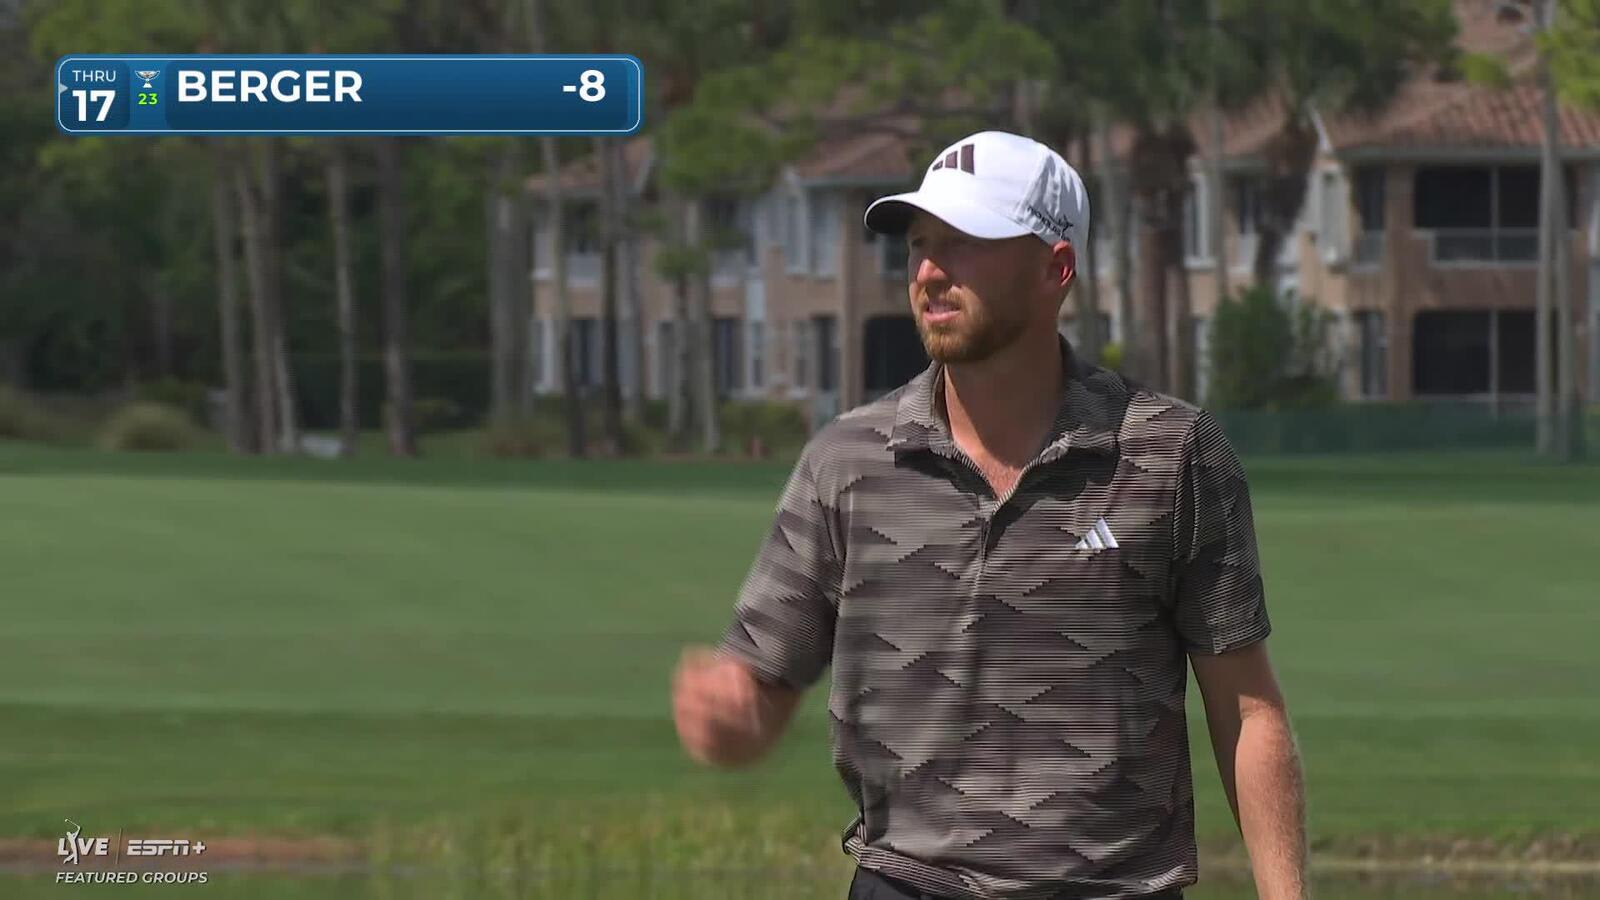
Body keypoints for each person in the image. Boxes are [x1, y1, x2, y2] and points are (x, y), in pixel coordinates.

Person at [672, 130, 1307, 900]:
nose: (931, 273)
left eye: (965, 244)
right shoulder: (848, 462)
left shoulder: (1171, 454)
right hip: (906, 884)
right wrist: (732, 722)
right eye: (919, 245)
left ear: (1055, 268)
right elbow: (764, 685)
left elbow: (1246, 708)